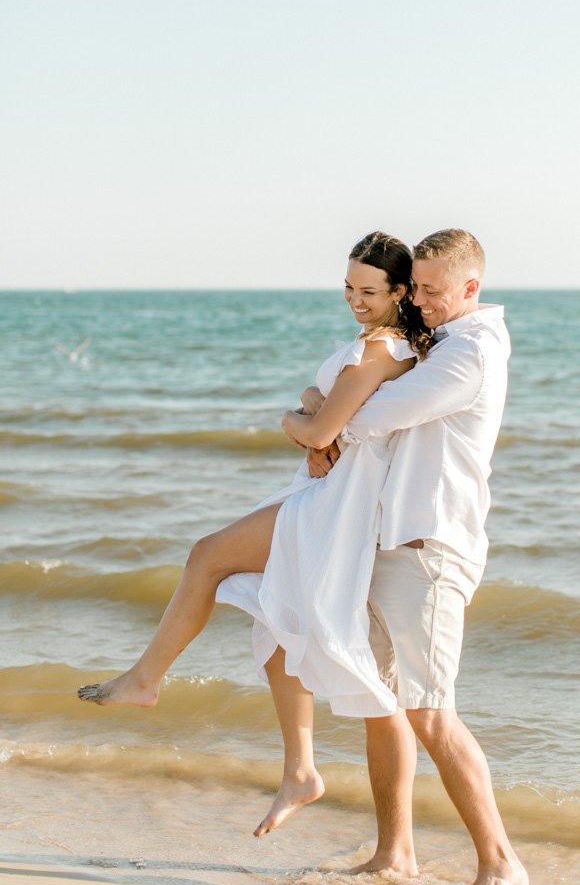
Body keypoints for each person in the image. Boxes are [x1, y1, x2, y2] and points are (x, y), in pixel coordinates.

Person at [78, 230, 432, 834]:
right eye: (348, 286)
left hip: (336, 504)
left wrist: (292, 420)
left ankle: (144, 679)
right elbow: (321, 401)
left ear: (401, 291)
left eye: (370, 290)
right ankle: (300, 771)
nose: (355, 299)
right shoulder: (375, 343)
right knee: (274, 621)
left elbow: (319, 430)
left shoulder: (384, 348)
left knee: (208, 556)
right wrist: (311, 408)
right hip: (326, 489)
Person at [308, 228, 528, 885]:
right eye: (417, 288)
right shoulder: (438, 342)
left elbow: (369, 414)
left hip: (430, 550)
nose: (421, 303)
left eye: (434, 292)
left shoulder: (470, 354)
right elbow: (356, 408)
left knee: (431, 711)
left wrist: (317, 418)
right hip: (385, 542)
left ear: (470, 288)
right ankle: (393, 855)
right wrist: (328, 413)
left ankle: (500, 863)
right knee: (383, 705)